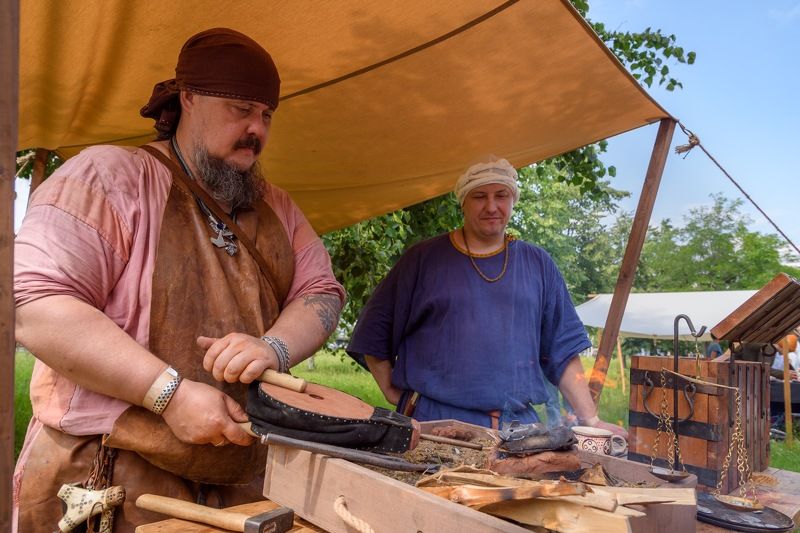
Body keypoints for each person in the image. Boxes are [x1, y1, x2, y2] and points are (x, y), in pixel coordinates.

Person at [13, 28, 345, 531]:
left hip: (243, 485)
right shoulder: (108, 177)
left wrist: (274, 347)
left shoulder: (276, 207)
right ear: (188, 98)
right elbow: (33, 303)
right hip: (109, 480)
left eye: (266, 114)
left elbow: (320, 291)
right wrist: (166, 392)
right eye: (240, 109)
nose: (256, 128)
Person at [347, 157, 625, 437]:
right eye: (480, 196)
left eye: (501, 196)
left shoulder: (538, 263)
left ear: (513, 200)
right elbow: (374, 330)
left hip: (518, 429)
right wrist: (393, 393)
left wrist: (592, 420)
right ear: (463, 202)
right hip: (435, 424)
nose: (491, 206)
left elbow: (562, 350)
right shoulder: (423, 260)